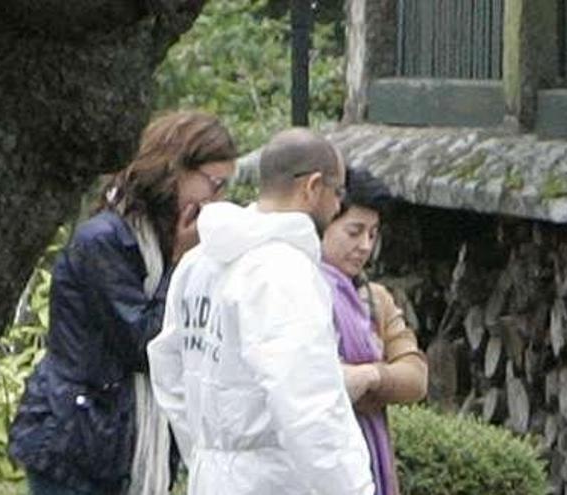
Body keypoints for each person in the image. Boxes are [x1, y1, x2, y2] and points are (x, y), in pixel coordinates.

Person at [8, 110, 238, 495]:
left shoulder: (166, 240)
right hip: (77, 440)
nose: (217, 200)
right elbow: (146, 341)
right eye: (213, 185)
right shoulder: (105, 241)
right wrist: (181, 264)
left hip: (125, 439)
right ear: (175, 170)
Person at [148, 128, 375, 495]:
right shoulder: (284, 272)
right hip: (272, 478)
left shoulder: (198, 263)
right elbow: (309, 405)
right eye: (339, 194)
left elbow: (168, 370)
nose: (337, 207)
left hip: (211, 476)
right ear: (313, 187)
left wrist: (205, 451)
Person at [321, 168, 428, 495]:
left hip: (368, 460)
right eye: (354, 232)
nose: (365, 246)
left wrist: (369, 377)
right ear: (324, 224)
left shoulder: (374, 300)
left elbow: (416, 376)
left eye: (373, 233)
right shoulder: (297, 292)